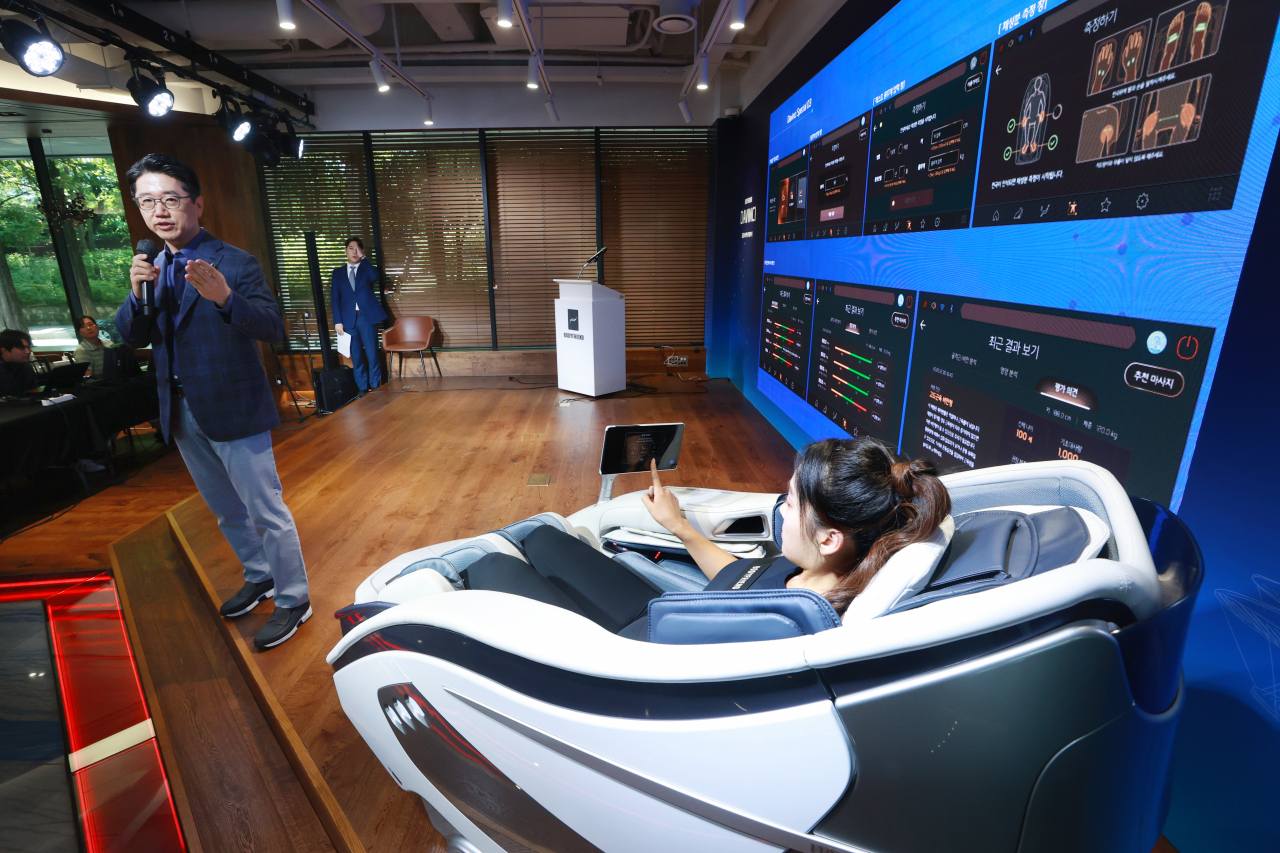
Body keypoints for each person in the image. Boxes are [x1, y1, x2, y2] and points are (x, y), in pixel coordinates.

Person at [462, 436, 951, 636]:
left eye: (792, 503)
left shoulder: (790, 622)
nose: (780, 510)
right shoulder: (815, 573)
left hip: (635, 646)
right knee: (540, 538)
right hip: (662, 615)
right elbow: (742, 577)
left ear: (830, 538)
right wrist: (676, 525)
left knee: (488, 564)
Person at [115, 153, 311, 650]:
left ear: (196, 204)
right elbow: (129, 336)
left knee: (265, 509)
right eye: (148, 202)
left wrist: (226, 298)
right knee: (224, 509)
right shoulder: (150, 267)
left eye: (171, 199)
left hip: (234, 406)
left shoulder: (235, 262)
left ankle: (293, 598)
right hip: (180, 409)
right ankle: (259, 573)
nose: (160, 210)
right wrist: (137, 295)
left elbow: (270, 327)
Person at [330, 237, 387, 396]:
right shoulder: (338, 273)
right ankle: (362, 388)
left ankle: (375, 386)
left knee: (372, 354)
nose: (354, 251)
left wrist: (364, 258)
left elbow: (375, 277)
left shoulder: (367, 268)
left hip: (367, 318)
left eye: (357, 248)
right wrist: (338, 321)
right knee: (356, 356)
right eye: (351, 248)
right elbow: (335, 298)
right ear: (345, 251)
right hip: (348, 320)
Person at [0, 328, 38, 396]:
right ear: (4, 350)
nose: (28, 351)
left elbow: (32, 389)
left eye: (28, 347)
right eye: (22, 348)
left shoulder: (26, 366)